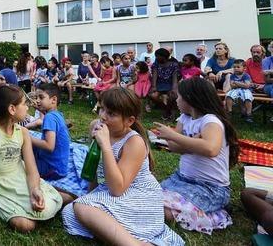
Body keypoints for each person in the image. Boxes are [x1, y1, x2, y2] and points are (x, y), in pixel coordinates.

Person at [62, 88, 184, 245]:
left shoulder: (134, 142)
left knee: (82, 208)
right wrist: (89, 196)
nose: (103, 116)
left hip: (137, 198)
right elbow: (95, 169)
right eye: (102, 109)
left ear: (129, 121)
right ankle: (124, 236)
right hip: (112, 193)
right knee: (71, 212)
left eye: (111, 113)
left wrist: (105, 146)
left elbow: (118, 189)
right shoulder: (97, 127)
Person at [0, 84, 63, 233]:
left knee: (45, 201)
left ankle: (50, 197)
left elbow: (31, 168)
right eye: (24, 104)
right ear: (12, 109)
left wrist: (35, 190)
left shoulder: (24, 132)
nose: (28, 108)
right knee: (26, 226)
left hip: (20, 176)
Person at [155, 77, 239, 234]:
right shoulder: (184, 118)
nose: (177, 100)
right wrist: (188, 141)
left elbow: (210, 149)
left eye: (179, 96)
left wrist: (173, 136)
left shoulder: (210, 120)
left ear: (191, 99)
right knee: (149, 199)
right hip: (181, 180)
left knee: (163, 211)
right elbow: (174, 148)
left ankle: (216, 214)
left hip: (210, 188)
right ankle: (200, 208)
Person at [28, 83, 74, 204]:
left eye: (41, 98)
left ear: (53, 100)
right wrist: (39, 108)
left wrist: (26, 137)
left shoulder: (49, 118)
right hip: (60, 166)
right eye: (36, 97)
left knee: (25, 159)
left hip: (53, 168)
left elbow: (49, 146)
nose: (37, 101)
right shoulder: (56, 114)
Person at [149, 48, 179, 120]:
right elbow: (154, 76)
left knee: (173, 96)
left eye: (157, 56)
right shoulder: (156, 65)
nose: (156, 58)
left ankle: (171, 112)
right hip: (160, 84)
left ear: (164, 56)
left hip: (170, 84)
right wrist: (153, 87)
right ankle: (165, 109)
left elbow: (175, 77)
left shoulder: (174, 65)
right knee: (153, 96)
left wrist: (174, 88)